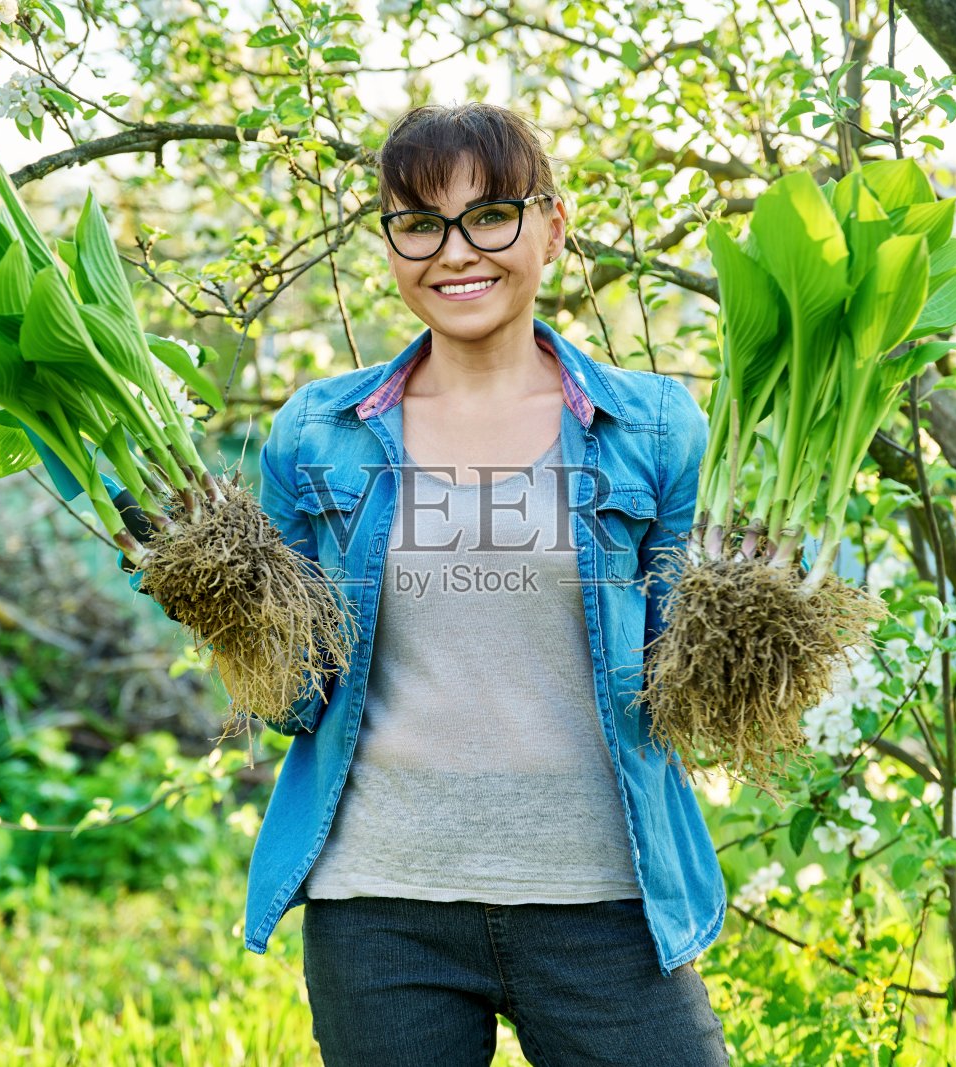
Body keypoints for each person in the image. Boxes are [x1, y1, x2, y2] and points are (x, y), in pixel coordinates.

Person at [126, 101, 728, 1066]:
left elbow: (684, 682)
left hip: (604, 897)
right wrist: (216, 598)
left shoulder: (653, 427)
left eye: (490, 215)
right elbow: (296, 698)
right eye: (419, 223)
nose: (456, 252)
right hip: (382, 904)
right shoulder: (318, 431)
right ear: (391, 243)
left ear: (552, 226)